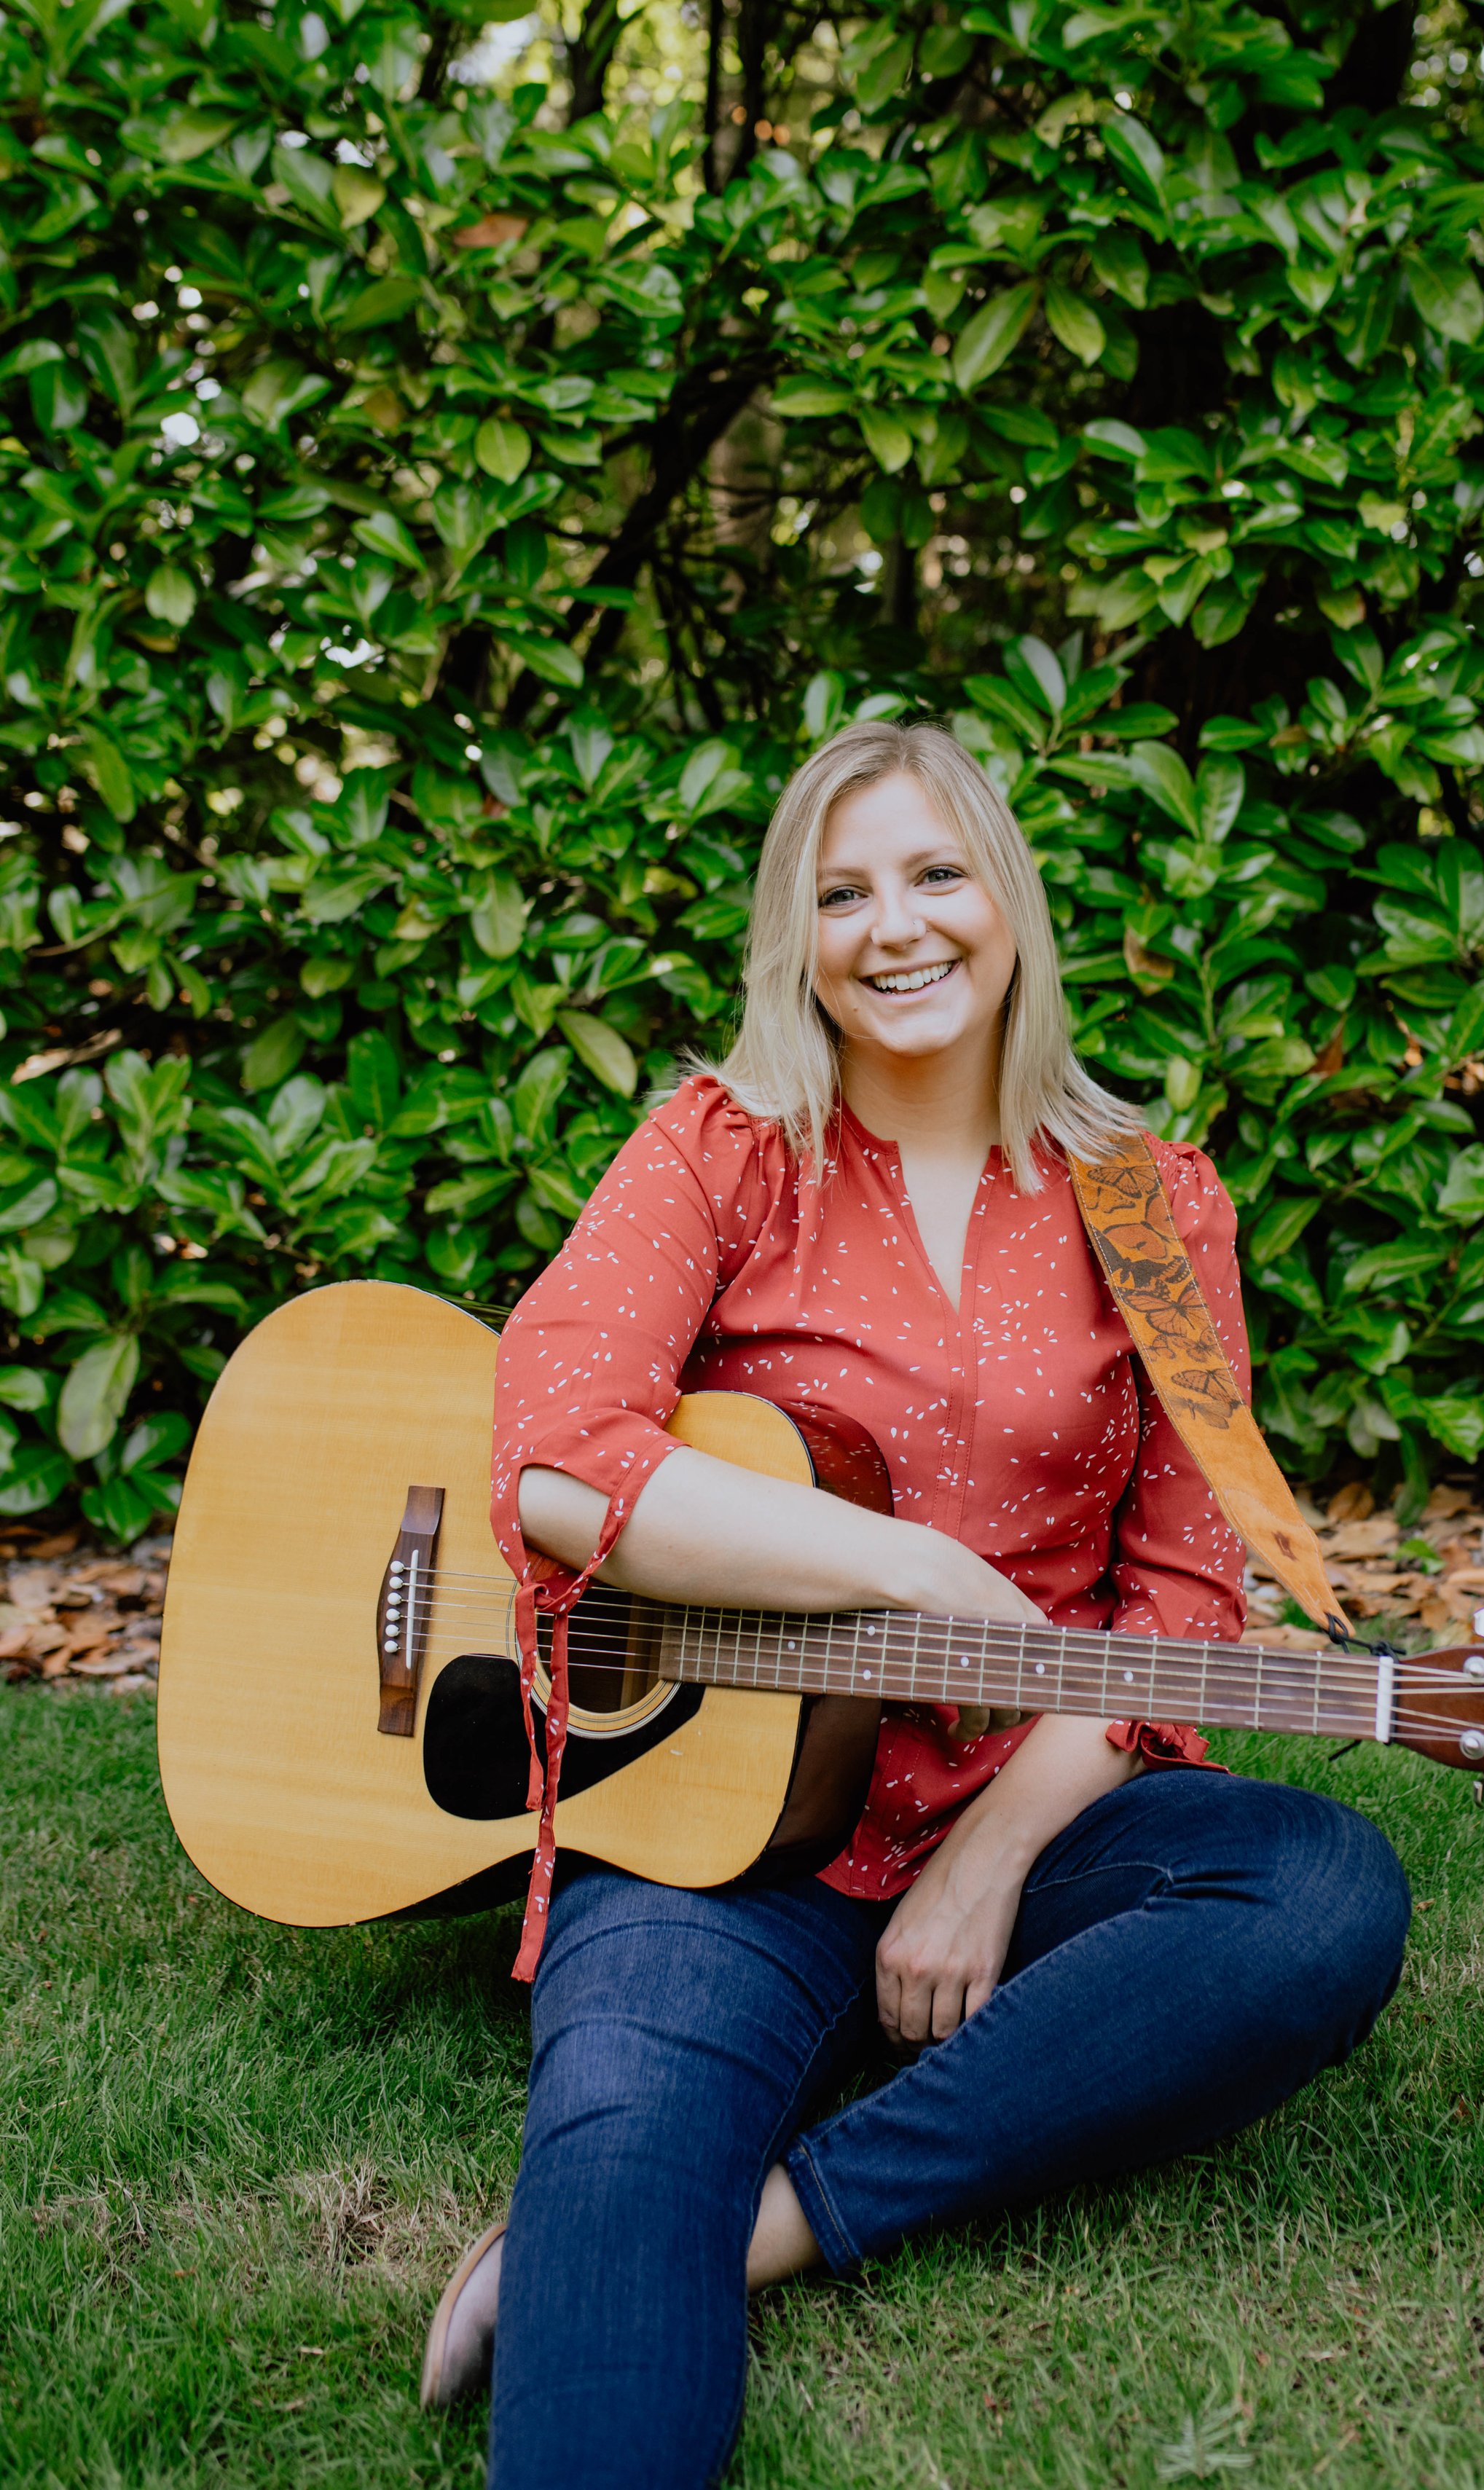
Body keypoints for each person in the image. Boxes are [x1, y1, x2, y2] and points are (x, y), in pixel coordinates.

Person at [420, 720, 1410, 2486]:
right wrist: (902, 1561)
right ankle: (632, 2214)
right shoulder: (722, 1149)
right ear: (795, 939)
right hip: (714, 1830)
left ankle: (773, 2216)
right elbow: (556, 1463)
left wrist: (990, 1857)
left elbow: (1178, 1599)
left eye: (935, 873)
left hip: (1020, 1793)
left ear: (1006, 901)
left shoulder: (1150, 1201)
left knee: (1315, 1889)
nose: (896, 927)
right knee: (618, 2136)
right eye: (841, 891)